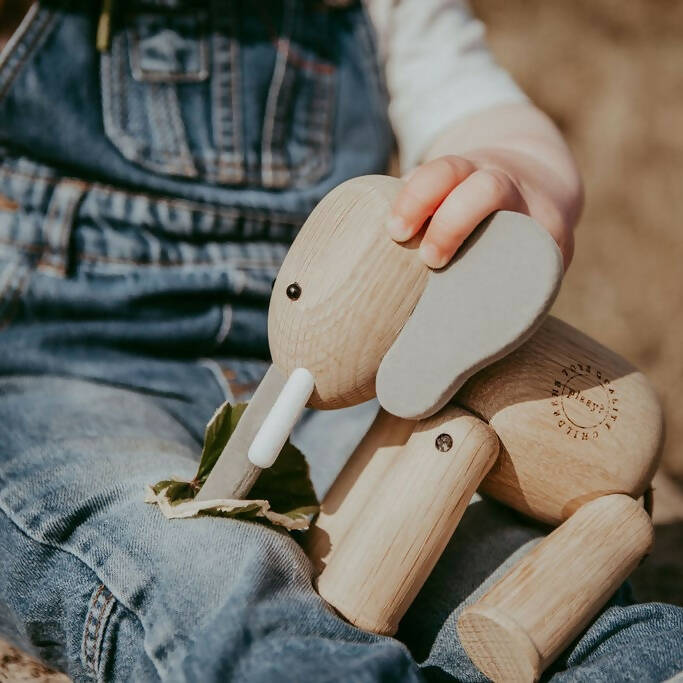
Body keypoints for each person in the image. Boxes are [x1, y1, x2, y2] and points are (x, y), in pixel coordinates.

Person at [0, 0, 680, 681]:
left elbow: (471, 101)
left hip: (349, 379)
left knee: (486, 559)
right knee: (200, 560)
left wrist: (508, 169)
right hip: (70, 370)